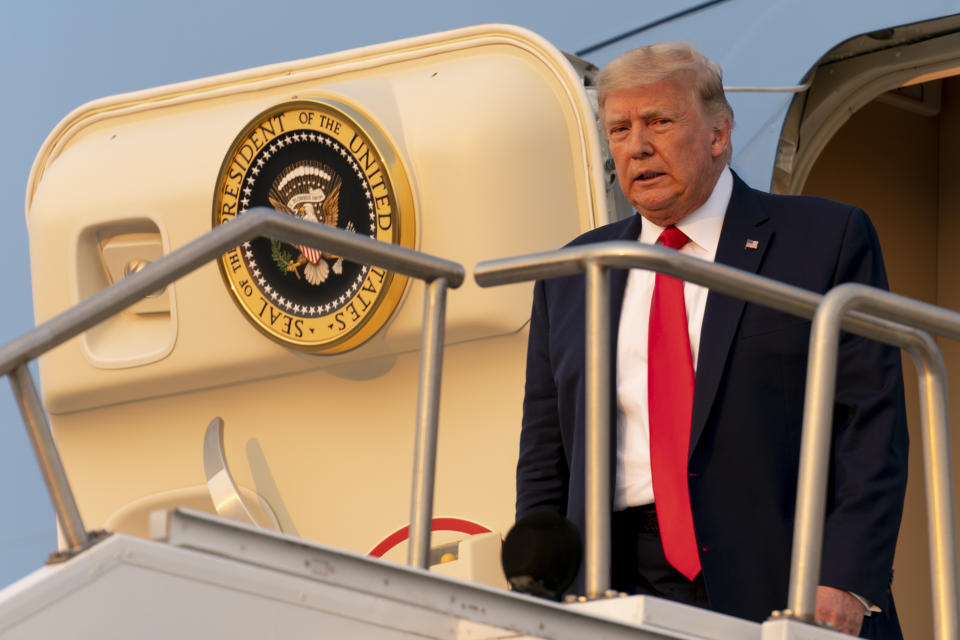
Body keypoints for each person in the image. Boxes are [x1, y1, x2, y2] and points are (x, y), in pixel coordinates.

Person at [516, 42, 908, 639]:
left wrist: (846, 577)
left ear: (719, 134)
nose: (637, 145)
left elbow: (870, 426)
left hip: (784, 579)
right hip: (615, 581)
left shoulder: (824, 238)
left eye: (659, 122)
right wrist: (537, 593)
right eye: (619, 128)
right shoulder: (575, 271)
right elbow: (547, 457)